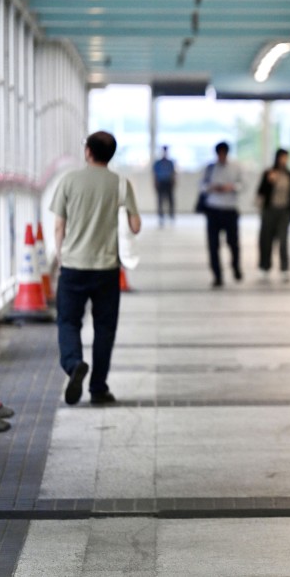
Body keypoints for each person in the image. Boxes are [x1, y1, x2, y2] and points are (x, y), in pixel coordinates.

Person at [50, 131, 141, 406]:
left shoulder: (69, 180)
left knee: (68, 321)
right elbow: (135, 226)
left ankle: (74, 363)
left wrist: (61, 257)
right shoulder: (121, 183)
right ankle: (98, 388)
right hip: (107, 267)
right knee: (104, 329)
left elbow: (58, 226)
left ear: (88, 152)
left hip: (73, 266)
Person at [201, 141, 243, 288]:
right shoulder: (210, 168)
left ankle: (235, 266)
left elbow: (242, 184)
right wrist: (212, 187)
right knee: (213, 245)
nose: (222, 156)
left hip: (230, 209)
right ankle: (217, 275)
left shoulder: (235, 167)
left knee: (233, 243)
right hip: (213, 209)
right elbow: (202, 186)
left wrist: (231, 187)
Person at [257, 148, 290, 282]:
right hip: (270, 210)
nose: (284, 160)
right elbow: (260, 192)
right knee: (266, 240)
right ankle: (264, 267)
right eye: (282, 157)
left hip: (284, 211)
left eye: (286, 158)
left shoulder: (289, 175)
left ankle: (284, 268)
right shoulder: (269, 172)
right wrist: (269, 181)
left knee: (283, 240)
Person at [152, 145, 176, 225]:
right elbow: (155, 174)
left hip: (168, 182)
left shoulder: (170, 163)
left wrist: (173, 182)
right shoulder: (157, 163)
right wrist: (155, 183)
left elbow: (173, 173)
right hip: (161, 183)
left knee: (170, 200)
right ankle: (161, 216)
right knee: (160, 200)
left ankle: (171, 215)